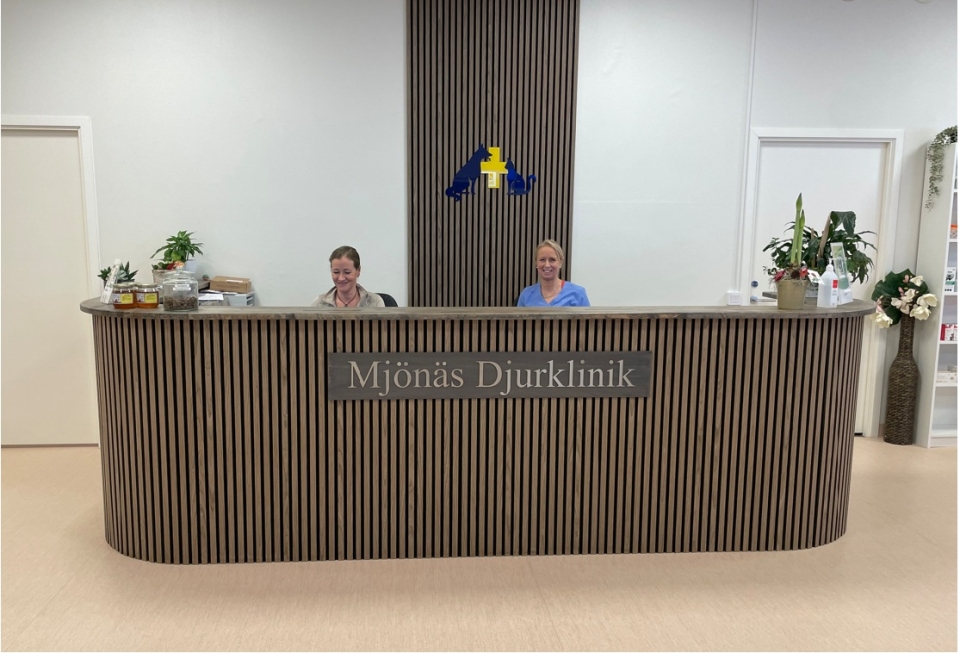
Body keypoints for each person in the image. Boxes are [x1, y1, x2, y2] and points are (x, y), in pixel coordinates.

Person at [516, 239, 590, 307]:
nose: (547, 265)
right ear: (536, 263)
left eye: (552, 260)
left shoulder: (578, 294)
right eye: (542, 260)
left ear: (560, 263)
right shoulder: (526, 295)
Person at [311, 246, 386, 308]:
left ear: (358, 271)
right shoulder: (319, 303)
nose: (341, 278)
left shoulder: (375, 302)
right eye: (336, 272)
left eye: (347, 272)